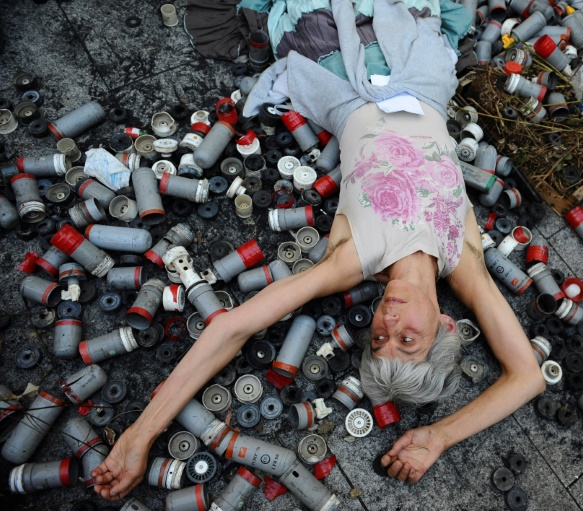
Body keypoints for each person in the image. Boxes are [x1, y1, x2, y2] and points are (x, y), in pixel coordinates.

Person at [92, 0, 545, 500]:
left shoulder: (353, 260)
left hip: (340, 71)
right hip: (418, 76)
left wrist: (140, 435)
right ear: (444, 326)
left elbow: (232, 327)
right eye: (408, 342)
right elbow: (526, 376)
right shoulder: (465, 263)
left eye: (377, 343)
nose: (387, 327)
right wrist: (440, 434)